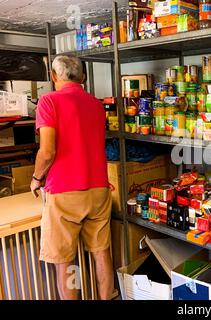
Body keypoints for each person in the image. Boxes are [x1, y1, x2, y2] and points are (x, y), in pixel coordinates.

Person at [30, 54, 113, 300]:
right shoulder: (96, 104)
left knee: (65, 261)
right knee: (101, 253)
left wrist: (36, 178)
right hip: (98, 188)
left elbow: (47, 151)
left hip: (65, 192)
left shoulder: (48, 101)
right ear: (83, 78)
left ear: (54, 76)